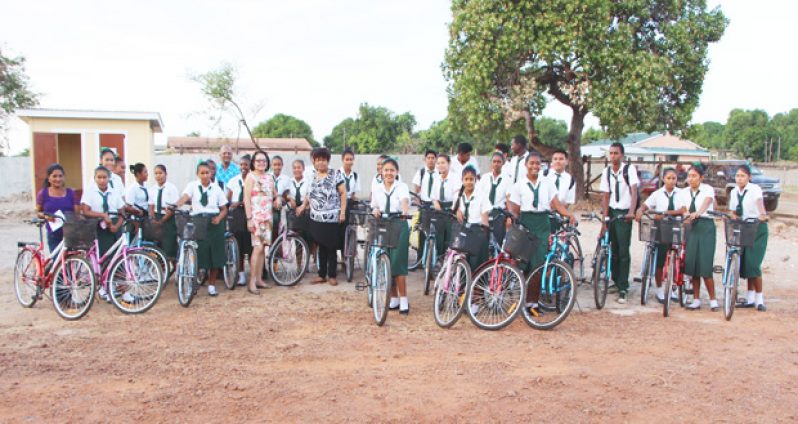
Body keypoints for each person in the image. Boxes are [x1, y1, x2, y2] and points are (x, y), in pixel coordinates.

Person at [507, 152, 575, 315]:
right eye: (532, 163)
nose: (535, 166)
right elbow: (514, 208)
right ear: (526, 165)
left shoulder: (547, 183)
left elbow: (555, 203)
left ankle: (532, 303)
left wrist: (569, 215)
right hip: (526, 221)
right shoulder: (519, 184)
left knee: (538, 265)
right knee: (522, 264)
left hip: (542, 223)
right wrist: (512, 221)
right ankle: (519, 300)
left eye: (538, 164)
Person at [176, 161, 229, 297]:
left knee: (215, 256)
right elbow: (185, 197)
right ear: (197, 174)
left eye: (207, 173)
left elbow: (224, 208)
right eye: (202, 173)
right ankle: (195, 281)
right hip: (199, 222)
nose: (205, 175)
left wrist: (219, 218)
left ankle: (212, 285)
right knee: (198, 253)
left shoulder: (217, 188)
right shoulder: (192, 186)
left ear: (211, 173)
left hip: (214, 223)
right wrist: (178, 204)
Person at [635, 168, 684, 304]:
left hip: (675, 227)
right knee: (660, 259)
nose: (671, 181)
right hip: (661, 228)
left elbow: (684, 209)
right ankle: (660, 288)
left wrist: (667, 213)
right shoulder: (657, 194)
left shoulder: (681, 193)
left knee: (678, 257)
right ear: (663, 179)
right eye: (668, 178)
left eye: (674, 178)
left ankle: (674, 286)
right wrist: (640, 210)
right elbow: (646, 205)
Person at [599, 142, 639, 304]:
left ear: (622, 155)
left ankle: (624, 286)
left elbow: (634, 191)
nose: (613, 156)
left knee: (623, 251)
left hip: (624, 213)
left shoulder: (629, 170)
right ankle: (615, 280)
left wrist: (631, 211)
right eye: (611, 153)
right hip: (612, 212)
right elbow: (606, 195)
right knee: (612, 249)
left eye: (616, 153)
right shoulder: (606, 172)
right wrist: (604, 219)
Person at [300, 148, 347, 286]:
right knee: (320, 246)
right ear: (314, 161)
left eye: (323, 160)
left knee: (331, 246)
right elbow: (309, 194)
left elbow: (343, 193)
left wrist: (342, 212)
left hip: (332, 217)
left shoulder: (335, 174)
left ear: (328, 161)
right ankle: (321, 274)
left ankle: (332, 275)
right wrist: (303, 206)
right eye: (318, 160)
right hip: (316, 218)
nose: (321, 162)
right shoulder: (313, 176)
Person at [370, 158, 412, 314]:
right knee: (386, 259)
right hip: (383, 225)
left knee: (398, 263)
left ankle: (404, 299)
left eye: (392, 170)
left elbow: (404, 200)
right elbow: (374, 205)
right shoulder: (377, 188)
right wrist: (375, 210)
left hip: (399, 224)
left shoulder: (402, 186)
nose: (388, 173)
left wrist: (405, 210)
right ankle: (393, 298)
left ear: (397, 172)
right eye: (386, 170)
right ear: (381, 171)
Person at [82, 166, 127, 301]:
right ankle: (104, 287)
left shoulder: (114, 192)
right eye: (99, 177)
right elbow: (86, 211)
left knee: (119, 257)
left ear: (109, 178)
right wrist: (102, 215)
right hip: (99, 227)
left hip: (114, 227)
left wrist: (117, 225)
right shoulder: (90, 192)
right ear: (95, 178)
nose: (102, 180)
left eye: (104, 177)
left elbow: (122, 211)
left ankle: (122, 289)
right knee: (104, 257)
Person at [729, 165, 769, 312]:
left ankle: (760, 299)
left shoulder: (754, 189)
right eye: (737, 176)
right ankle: (750, 297)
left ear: (749, 177)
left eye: (742, 176)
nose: (739, 178)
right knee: (745, 262)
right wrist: (733, 216)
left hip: (757, 228)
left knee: (753, 263)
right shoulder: (734, 192)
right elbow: (733, 210)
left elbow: (759, 203)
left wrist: (762, 214)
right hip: (743, 227)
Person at [678, 164, 718, 310]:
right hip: (691, 227)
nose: (691, 179)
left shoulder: (707, 189)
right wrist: (687, 215)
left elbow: (707, 202)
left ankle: (713, 299)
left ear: (701, 177)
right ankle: (696, 299)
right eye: (689, 176)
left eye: (694, 176)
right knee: (692, 264)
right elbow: (683, 208)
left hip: (705, 226)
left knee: (705, 264)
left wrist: (698, 213)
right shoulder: (683, 192)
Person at [244, 150, 277, 295]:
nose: (261, 163)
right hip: (256, 219)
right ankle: (251, 281)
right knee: (257, 248)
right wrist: (249, 218)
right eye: (258, 161)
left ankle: (259, 280)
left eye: (263, 160)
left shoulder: (270, 177)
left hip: (267, 218)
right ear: (253, 162)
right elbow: (246, 199)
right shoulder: (250, 177)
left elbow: (275, 194)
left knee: (263, 248)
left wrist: (279, 199)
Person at [453, 166, 491, 271]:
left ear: (476, 180)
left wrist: (484, 233)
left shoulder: (481, 195)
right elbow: (454, 210)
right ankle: (464, 283)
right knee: (462, 260)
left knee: (477, 262)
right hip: (464, 230)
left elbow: (485, 216)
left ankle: (476, 284)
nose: (469, 182)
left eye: (471, 179)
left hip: (477, 230)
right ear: (462, 180)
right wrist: (457, 211)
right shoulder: (458, 195)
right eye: (466, 179)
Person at [35, 164, 79, 252]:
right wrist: (46, 216)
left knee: (70, 261)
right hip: (53, 234)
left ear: (64, 177)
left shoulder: (71, 193)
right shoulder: (43, 193)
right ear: (49, 178)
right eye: (54, 176)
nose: (58, 179)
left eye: (60, 176)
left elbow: (77, 213)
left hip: (69, 233)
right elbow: (38, 212)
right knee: (57, 261)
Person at [226, 154, 253, 286]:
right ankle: (241, 274)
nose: (243, 167)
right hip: (237, 215)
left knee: (251, 245)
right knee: (239, 246)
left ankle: (254, 274)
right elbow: (228, 200)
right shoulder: (233, 181)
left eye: (246, 165)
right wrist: (234, 203)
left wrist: (245, 202)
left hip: (250, 213)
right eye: (241, 164)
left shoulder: (253, 180)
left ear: (250, 166)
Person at [477, 152, 512, 246]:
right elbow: (478, 195)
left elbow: (509, 199)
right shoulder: (484, 178)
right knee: (482, 241)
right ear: (491, 163)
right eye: (494, 161)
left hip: (498, 214)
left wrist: (509, 216)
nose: (496, 164)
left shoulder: (507, 179)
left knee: (498, 241)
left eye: (499, 162)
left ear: (503, 163)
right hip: (485, 213)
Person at [431, 153, 461, 258]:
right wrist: (436, 204)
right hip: (439, 211)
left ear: (449, 163)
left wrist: (452, 210)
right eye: (438, 163)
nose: (440, 165)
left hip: (450, 210)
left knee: (449, 238)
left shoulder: (455, 178)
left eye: (443, 163)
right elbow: (433, 196)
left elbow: (457, 196)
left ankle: (449, 263)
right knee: (439, 237)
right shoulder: (436, 179)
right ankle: (439, 260)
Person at [148, 164, 180, 259]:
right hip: (156, 218)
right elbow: (151, 205)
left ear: (165, 174)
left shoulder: (172, 188)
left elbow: (172, 208)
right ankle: (160, 269)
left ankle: (172, 267)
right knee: (156, 247)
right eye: (156, 173)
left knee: (169, 248)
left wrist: (162, 221)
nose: (158, 176)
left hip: (168, 219)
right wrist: (152, 218)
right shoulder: (152, 189)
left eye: (160, 173)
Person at [543, 149, 577, 232]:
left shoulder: (570, 180)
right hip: (542, 215)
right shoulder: (544, 175)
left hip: (559, 216)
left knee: (556, 241)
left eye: (561, 159)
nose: (558, 161)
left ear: (566, 161)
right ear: (552, 161)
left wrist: (559, 210)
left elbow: (568, 202)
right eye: (555, 159)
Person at [270, 155, 289, 242]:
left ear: (282, 165)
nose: (277, 167)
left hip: (280, 209)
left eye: (279, 164)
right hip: (268, 209)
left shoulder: (286, 179)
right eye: (275, 164)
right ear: (271, 165)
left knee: (280, 233)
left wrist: (280, 199)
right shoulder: (267, 177)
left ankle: (278, 251)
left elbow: (287, 196)